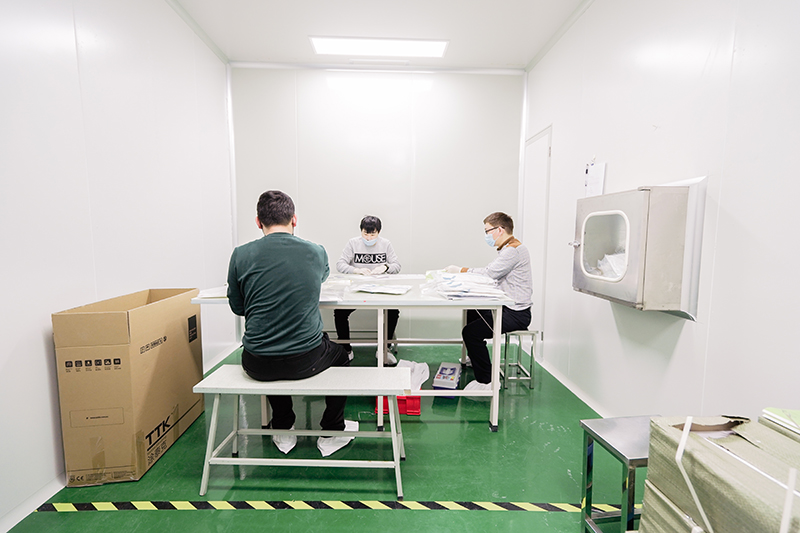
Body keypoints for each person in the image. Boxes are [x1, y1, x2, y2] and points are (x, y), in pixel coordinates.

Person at [227, 190, 356, 457]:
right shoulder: (315, 251)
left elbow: (238, 308)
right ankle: (332, 430)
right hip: (305, 360)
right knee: (341, 355)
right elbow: (321, 277)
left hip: (257, 363)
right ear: (294, 219)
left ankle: (283, 425)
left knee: (273, 348)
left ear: (258, 222)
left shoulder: (240, 255)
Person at [445, 212, 532, 391]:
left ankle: (487, 381)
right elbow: (491, 272)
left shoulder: (513, 251)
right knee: (472, 311)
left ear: (500, 230)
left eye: (487, 231)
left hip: (516, 314)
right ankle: (475, 357)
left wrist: (460, 270)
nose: (486, 235)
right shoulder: (507, 249)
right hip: (507, 307)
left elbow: (489, 274)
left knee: (470, 333)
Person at [335, 215, 401, 365]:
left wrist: (385, 267)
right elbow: (340, 264)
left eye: (372, 234)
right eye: (366, 233)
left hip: (381, 289)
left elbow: (397, 265)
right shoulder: (353, 243)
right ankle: (346, 349)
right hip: (357, 289)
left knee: (393, 311)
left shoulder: (386, 244)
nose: (369, 238)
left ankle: (384, 348)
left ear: (378, 232)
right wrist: (356, 270)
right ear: (361, 231)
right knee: (340, 312)